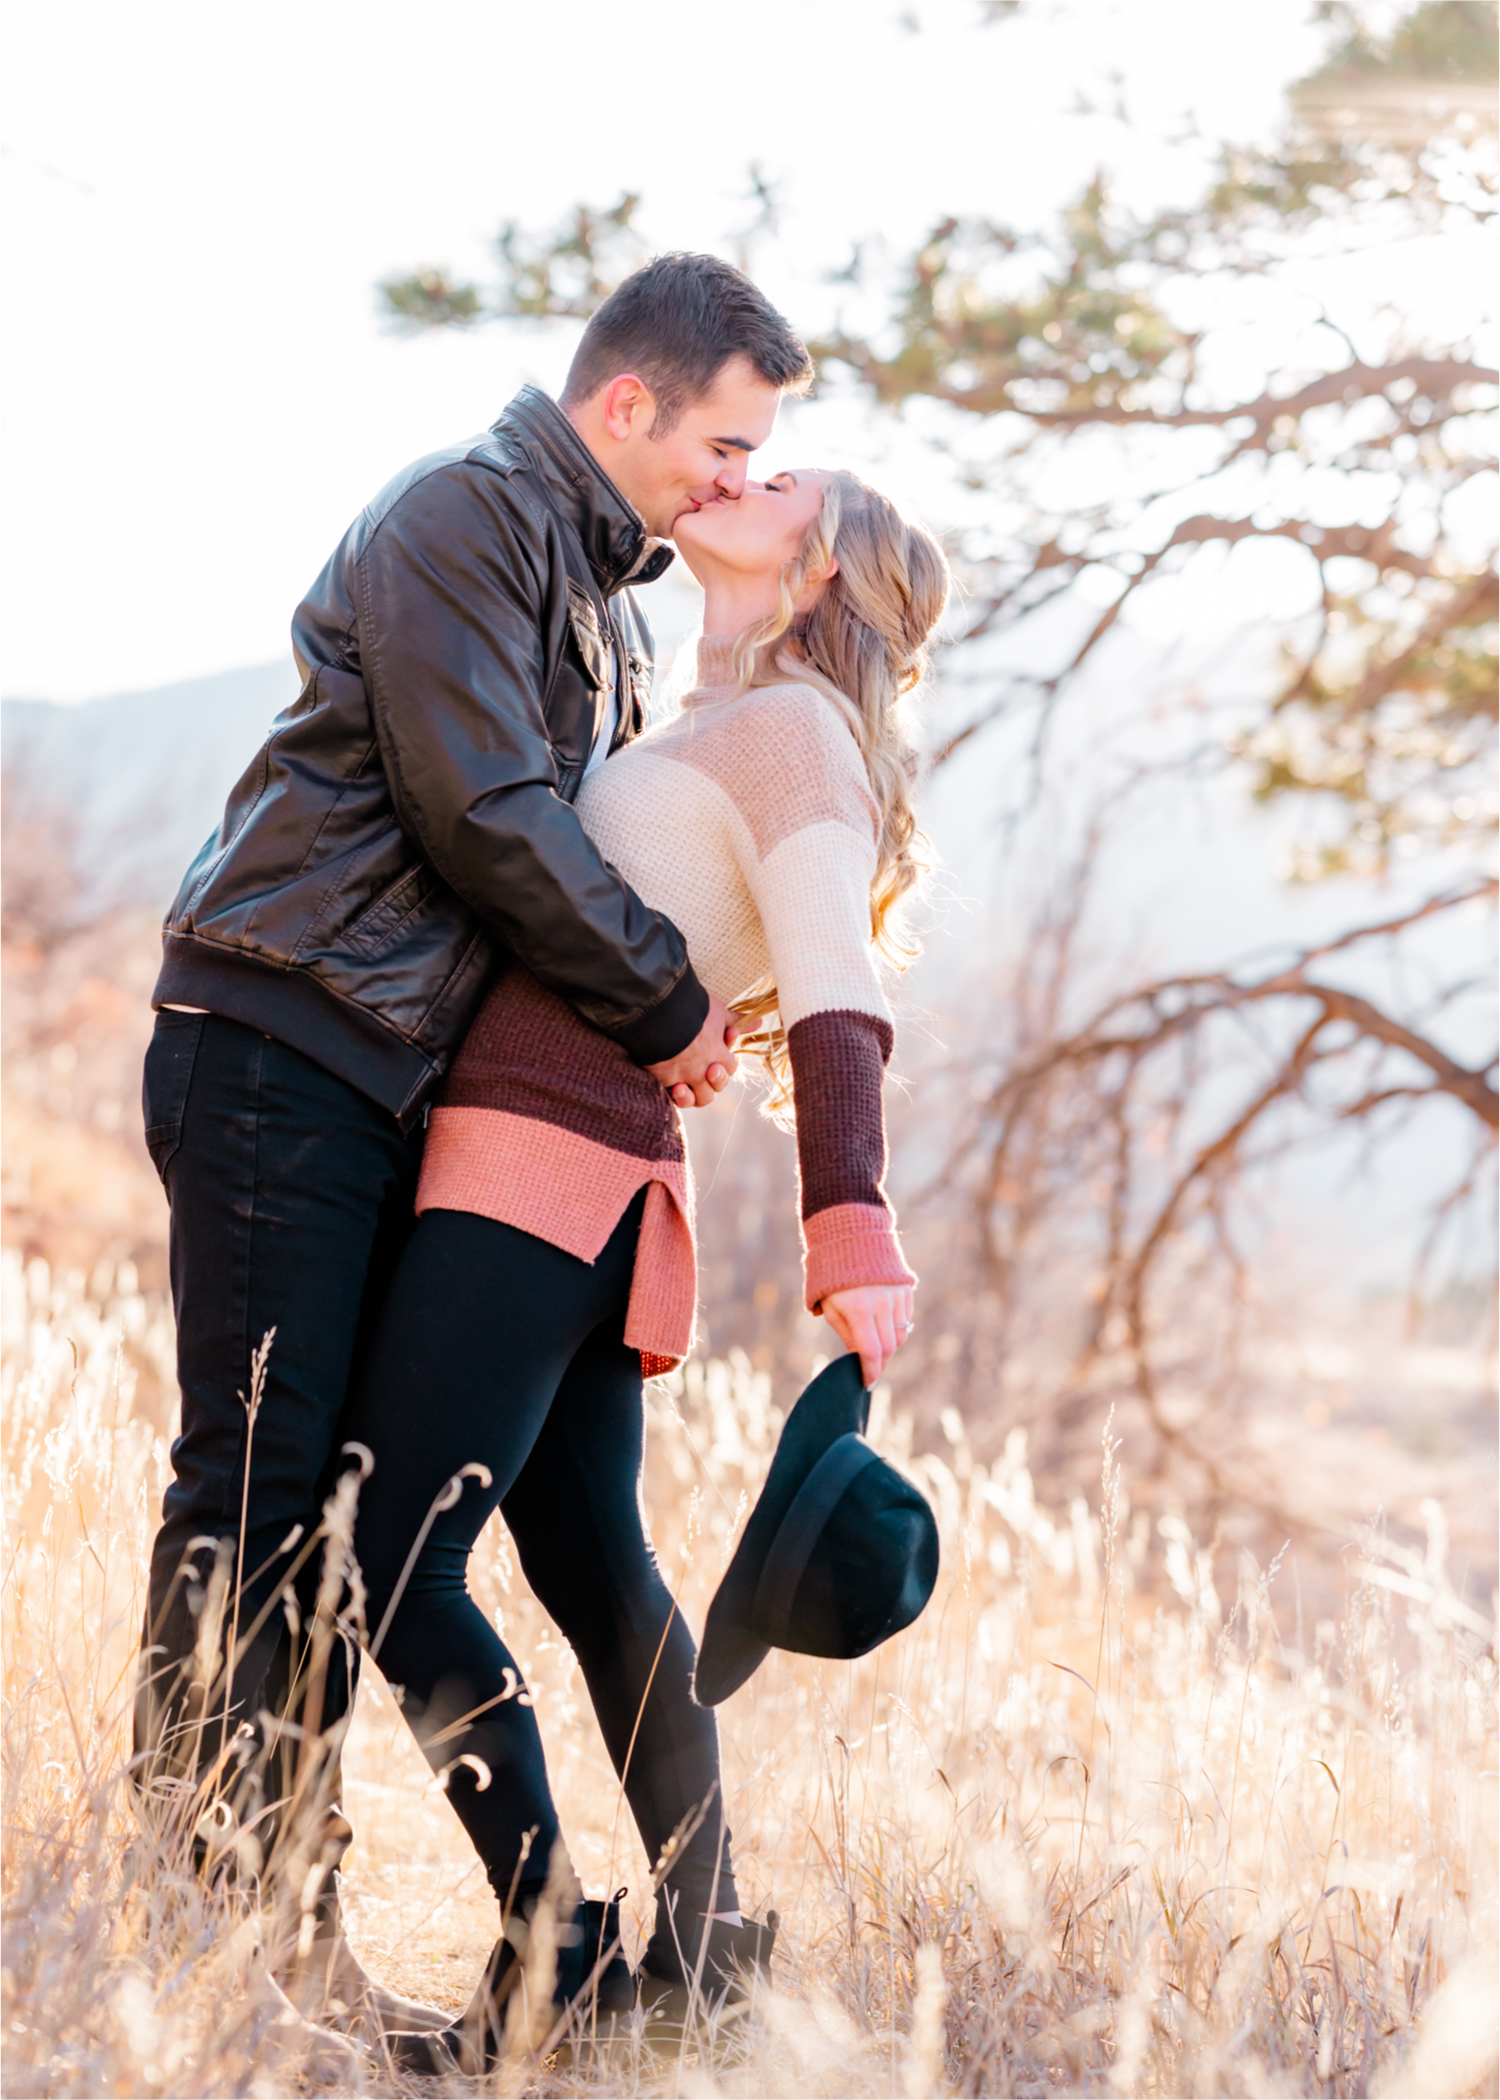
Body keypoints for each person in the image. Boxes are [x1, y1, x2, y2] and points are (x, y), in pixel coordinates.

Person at [133, 252, 813, 2033]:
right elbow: (487, 811)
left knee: (326, 1514)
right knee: (261, 1494)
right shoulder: (466, 514)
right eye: (722, 444)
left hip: (386, 1082)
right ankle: (232, 1932)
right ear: (628, 406)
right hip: (284, 1036)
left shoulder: (604, 598)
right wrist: (670, 1005)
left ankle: (304, 1925)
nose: (728, 481)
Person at [342, 463, 951, 2070]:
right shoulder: (690, 718)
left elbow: (832, 984)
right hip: (572, 1169)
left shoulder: (792, 733)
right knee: (596, 1567)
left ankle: (551, 1943)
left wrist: (852, 1218)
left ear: (818, 568)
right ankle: (704, 1946)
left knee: (387, 1559)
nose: (742, 474)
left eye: (786, 479)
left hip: (548, 1167)